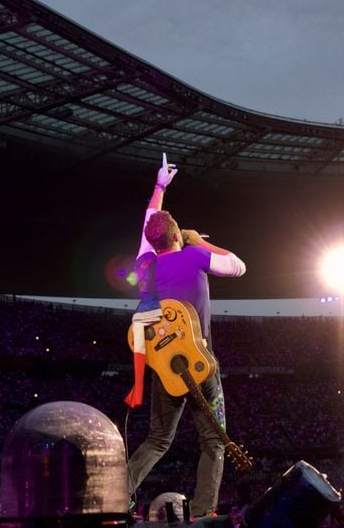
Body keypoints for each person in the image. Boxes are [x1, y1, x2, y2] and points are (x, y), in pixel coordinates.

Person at [126, 154, 247, 519]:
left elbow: (150, 223)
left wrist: (159, 186)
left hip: (166, 370)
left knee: (158, 440)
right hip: (201, 366)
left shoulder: (145, 265)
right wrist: (199, 242)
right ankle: (202, 512)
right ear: (178, 235)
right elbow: (238, 266)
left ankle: (120, 491)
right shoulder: (194, 256)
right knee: (214, 442)